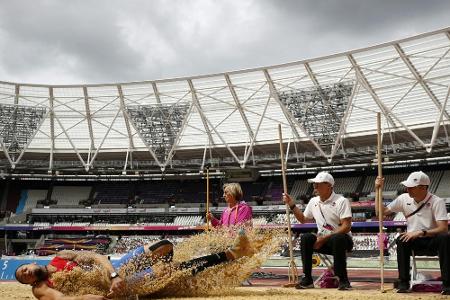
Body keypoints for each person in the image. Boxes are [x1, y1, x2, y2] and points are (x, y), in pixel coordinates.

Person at [15, 230, 255, 300]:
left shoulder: (63, 256)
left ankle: (165, 277)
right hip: (115, 289)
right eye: (23, 277)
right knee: (170, 271)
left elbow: (99, 258)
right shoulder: (41, 289)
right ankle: (231, 254)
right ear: (31, 282)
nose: (25, 273)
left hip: (115, 272)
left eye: (23, 269)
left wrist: (114, 275)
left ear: (32, 263)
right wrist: (100, 296)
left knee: (165, 245)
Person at [375, 171, 450, 294]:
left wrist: (420, 232)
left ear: (423, 188)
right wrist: (378, 189)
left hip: (433, 239)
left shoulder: (437, 201)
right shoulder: (403, 198)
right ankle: (403, 282)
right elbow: (380, 213)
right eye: (407, 186)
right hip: (414, 240)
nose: (407, 189)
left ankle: (447, 284)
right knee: (401, 239)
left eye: (411, 187)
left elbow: (443, 228)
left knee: (445, 238)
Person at [283, 171, 353, 290]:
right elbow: (303, 219)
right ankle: (307, 279)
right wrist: (292, 205)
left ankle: (343, 279)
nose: (314, 186)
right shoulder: (313, 201)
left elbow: (346, 226)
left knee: (338, 238)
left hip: (342, 240)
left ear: (329, 185)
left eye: (318, 184)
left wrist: (324, 238)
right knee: (306, 237)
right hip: (324, 240)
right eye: (314, 184)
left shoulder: (342, 201)